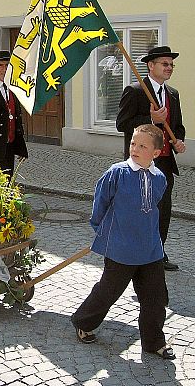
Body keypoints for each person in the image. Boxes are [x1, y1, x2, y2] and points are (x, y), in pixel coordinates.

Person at [71, 124, 175, 361]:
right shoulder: (117, 173)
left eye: (142, 146)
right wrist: (102, 229)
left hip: (150, 249)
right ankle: (83, 322)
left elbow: (154, 206)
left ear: (156, 153)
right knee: (108, 291)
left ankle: (154, 342)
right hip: (120, 248)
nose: (135, 149)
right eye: (133, 144)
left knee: (155, 298)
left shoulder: (159, 178)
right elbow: (101, 201)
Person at [116, 46, 185, 272]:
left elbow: (177, 127)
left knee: (162, 210)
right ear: (151, 65)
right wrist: (150, 119)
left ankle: (158, 254)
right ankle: (135, 255)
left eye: (171, 65)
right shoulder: (135, 91)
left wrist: (179, 141)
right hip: (141, 165)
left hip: (164, 162)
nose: (169, 68)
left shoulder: (172, 94)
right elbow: (122, 124)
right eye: (165, 64)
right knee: (140, 209)